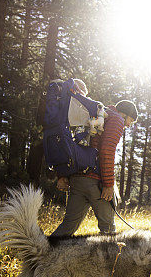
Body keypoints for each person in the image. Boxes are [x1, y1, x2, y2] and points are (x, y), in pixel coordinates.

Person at [50, 99, 138, 236]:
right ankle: (112, 258)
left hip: (77, 178)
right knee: (108, 229)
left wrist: (63, 175)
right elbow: (106, 150)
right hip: (95, 181)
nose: (128, 124)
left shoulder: (99, 116)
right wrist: (108, 184)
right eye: (130, 120)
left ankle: (44, 253)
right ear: (124, 114)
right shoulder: (116, 120)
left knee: (68, 225)